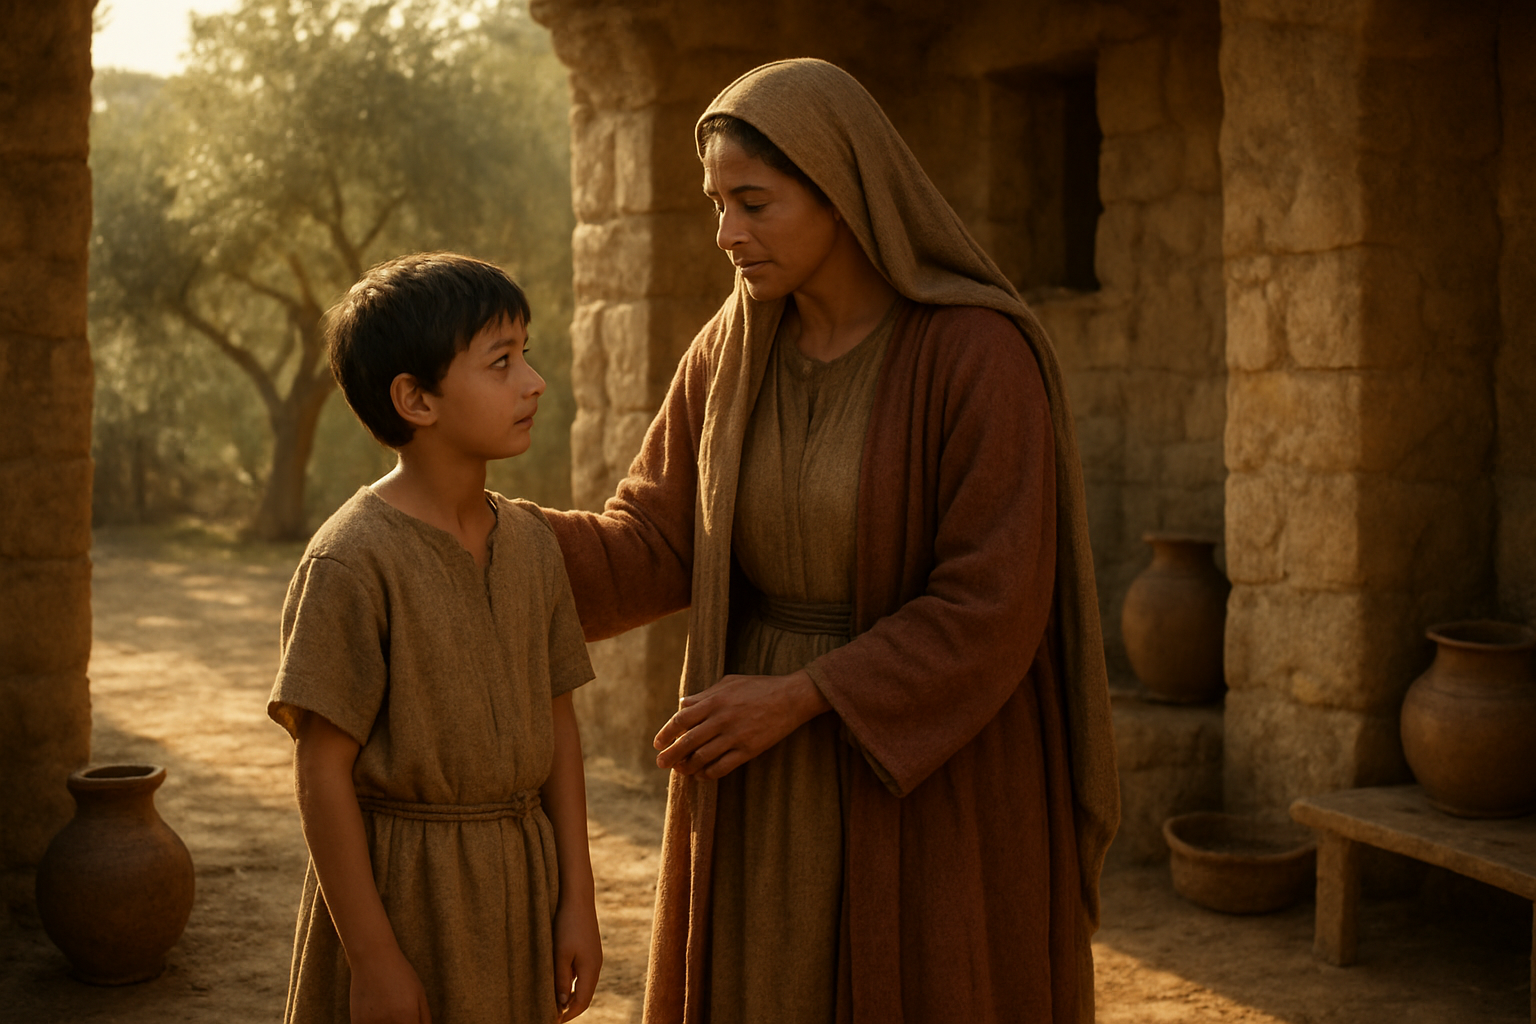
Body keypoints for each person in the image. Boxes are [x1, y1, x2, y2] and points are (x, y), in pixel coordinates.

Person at [544, 59, 1120, 1024]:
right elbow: (653, 541)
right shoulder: (727, 353)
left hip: (931, 775)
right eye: (717, 204)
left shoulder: (976, 355)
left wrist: (803, 696)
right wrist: (476, 532)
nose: (727, 234)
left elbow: (993, 601)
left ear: (841, 190)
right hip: (761, 778)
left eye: (754, 203)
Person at [267, 253, 602, 1024]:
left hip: (521, 888)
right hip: (404, 897)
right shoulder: (351, 561)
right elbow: (321, 770)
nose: (534, 382)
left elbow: (559, 726)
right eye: (501, 362)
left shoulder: (531, 543)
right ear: (415, 399)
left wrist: (577, 901)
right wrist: (373, 959)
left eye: (526, 354)